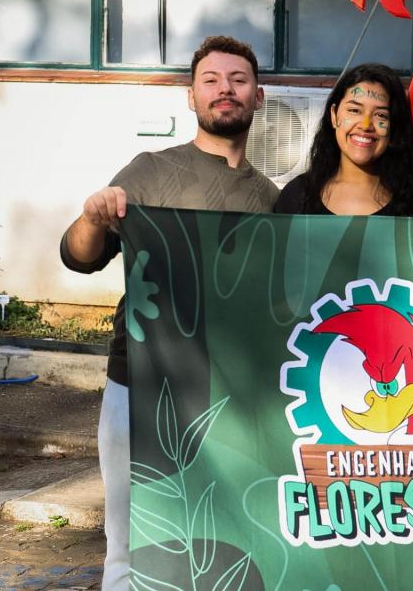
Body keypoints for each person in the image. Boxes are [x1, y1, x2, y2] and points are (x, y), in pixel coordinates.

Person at [59, 36, 278, 589]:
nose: (225, 89)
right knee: (130, 547)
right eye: (211, 80)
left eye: (239, 80)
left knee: (222, 540)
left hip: (230, 397)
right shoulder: (150, 171)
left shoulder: (273, 199)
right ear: (191, 96)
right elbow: (78, 256)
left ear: (258, 97)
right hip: (139, 383)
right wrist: (92, 217)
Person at [274, 63, 413, 217]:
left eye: (380, 115)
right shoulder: (297, 196)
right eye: (354, 111)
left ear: (394, 126)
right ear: (334, 115)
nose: (365, 125)